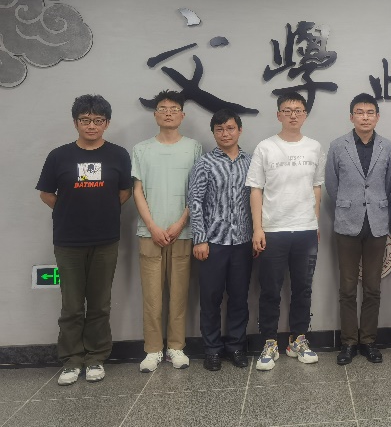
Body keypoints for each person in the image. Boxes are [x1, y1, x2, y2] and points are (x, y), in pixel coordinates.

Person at [36, 95, 132, 385]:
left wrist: (100, 211)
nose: (92, 126)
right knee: (72, 305)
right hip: (68, 241)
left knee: (100, 303)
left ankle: (96, 358)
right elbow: (46, 193)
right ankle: (71, 360)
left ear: (107, 123)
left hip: (106, 239)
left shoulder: (118, 155)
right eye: (85, 120)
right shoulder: (59, 156)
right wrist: (71, 211)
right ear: (76, 122)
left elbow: (124, 192)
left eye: (98, 120)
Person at [248, 93, 326, 370]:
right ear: (278, 114)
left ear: (305, 115)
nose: (293, 115)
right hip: (273, 230)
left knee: (303, 288)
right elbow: (255, 189)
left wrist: (315, 221)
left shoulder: (314, 147)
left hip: (306, 230)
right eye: (287, 110)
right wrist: (258, 228)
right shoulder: (265, 147)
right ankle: (269, 342)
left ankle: (298, 340)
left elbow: (317, 187)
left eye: (298, 110)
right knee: (270, 289)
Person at [132, 90, 203, 372]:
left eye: (174, 109)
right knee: (151, 296)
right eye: (163, 108)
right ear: (155, 115)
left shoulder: (194, 147)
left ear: (182, 115)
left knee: (179, 294)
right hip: (149, 232)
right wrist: (151, 225)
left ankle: (176, 347)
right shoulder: (141, 149)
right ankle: (152, 350)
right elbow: (137, 190)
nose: (168, 113)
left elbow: (197, 190)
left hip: (182, 232)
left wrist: (181, 222)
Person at [325, 93, 391, 365]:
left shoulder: (388, 147)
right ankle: (348, 343)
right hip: (347, 223)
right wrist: (349, 204)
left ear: (377, 117)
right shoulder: (337, 146)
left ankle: (368, 341)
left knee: (372, 287)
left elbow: (388, 184)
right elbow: (332, 184)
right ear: (351, 116)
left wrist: (373, 204)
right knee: (346, 287)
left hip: (377, 224)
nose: (365, 117)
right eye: (359, 112)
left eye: (369, 112)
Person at [188, 109, 253, 371]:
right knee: (210, 299)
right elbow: (195, 201)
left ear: (239, 130)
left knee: (239, 297)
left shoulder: (251, 162)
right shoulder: (204, 163)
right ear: (214, 133)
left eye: (230, 128)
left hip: (243, 242)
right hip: (212, 243)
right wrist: (199, 239)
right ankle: (212, 350)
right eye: (219, 129)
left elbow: (257, 199)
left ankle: (236, 346)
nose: (225, 134)